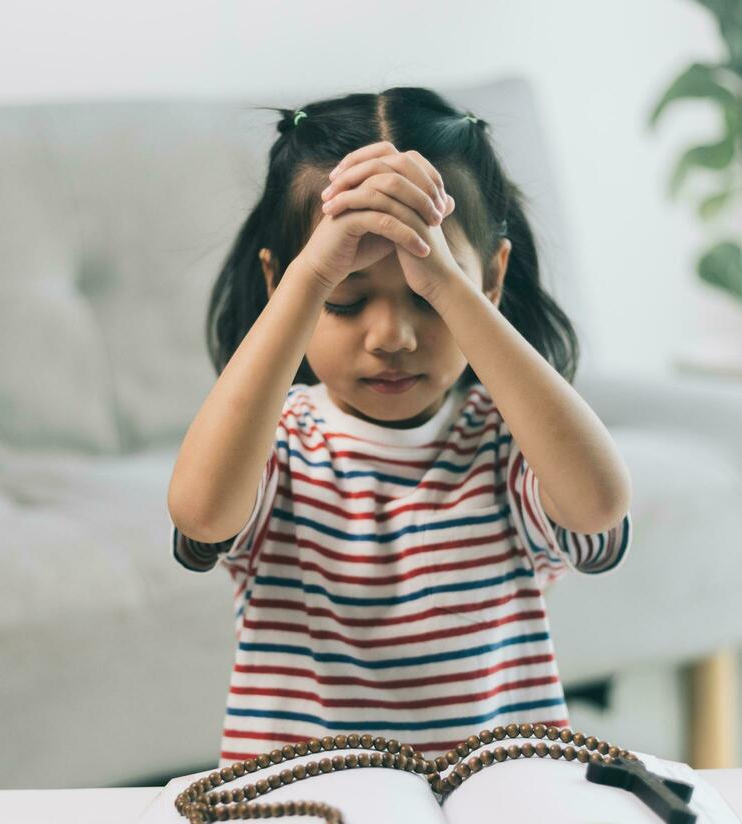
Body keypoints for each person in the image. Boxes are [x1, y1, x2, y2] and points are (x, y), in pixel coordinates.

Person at [167, 86, 632, 767]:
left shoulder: (511, 447)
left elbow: (599, 504)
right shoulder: (276, 447)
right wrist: (313, 272)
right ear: (281, 286)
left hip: (497, 821)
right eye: (346, 301)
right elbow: (201, 513)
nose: (391, 337)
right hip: (307, 820)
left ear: (492, 280)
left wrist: (448, 281)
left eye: (424, 299)